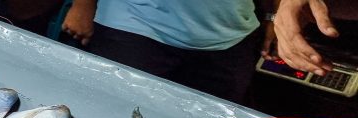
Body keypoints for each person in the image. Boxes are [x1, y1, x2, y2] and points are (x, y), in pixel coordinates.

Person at [59, 0, 269, 103]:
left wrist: (274, 16)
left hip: (230, 36)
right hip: (134, 26)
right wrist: (83, 5)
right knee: (118, 116)